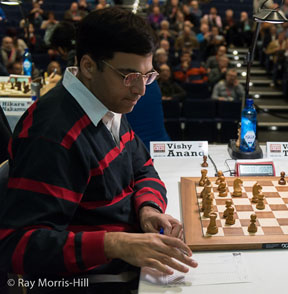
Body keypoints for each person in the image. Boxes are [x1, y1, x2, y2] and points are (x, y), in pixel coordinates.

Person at [0, 7, 197, 293]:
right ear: (90, 66)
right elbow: (16, 246)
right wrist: (114, 244)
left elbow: (142, 166)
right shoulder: (52, 134)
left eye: (147, 76)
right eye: (130, 76)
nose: (141, 90)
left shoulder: (106, 102)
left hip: (130, 261)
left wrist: (148, 208)